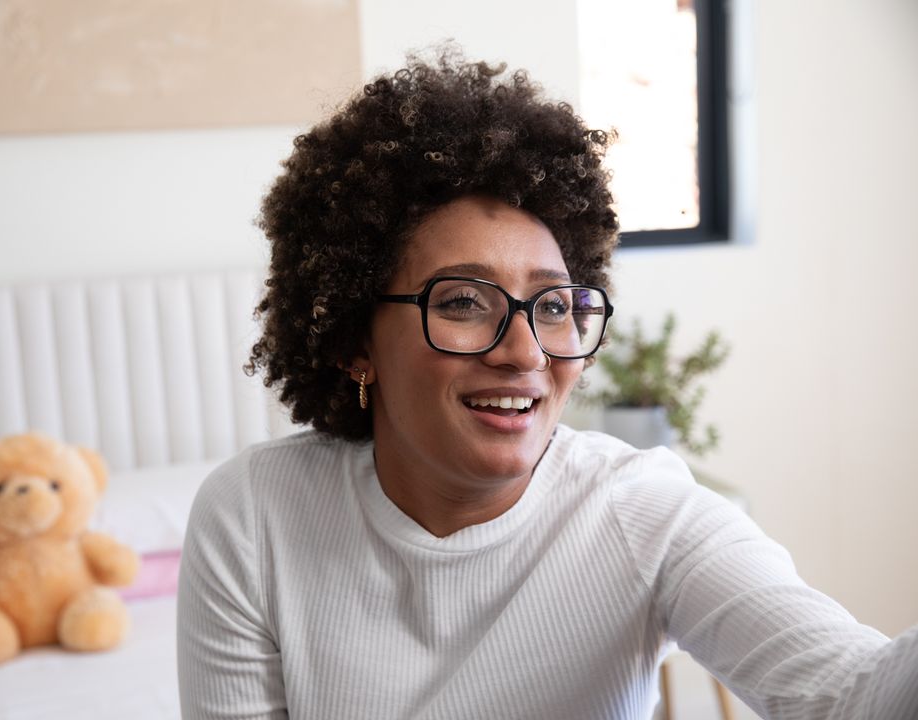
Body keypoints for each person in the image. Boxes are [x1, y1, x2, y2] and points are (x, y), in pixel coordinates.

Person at [177, 47, 918, 719]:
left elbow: (850, 695)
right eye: (462, 302)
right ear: (353, 341)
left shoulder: (643, 513)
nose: (525, 352)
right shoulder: (255, 516)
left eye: (555, 306)